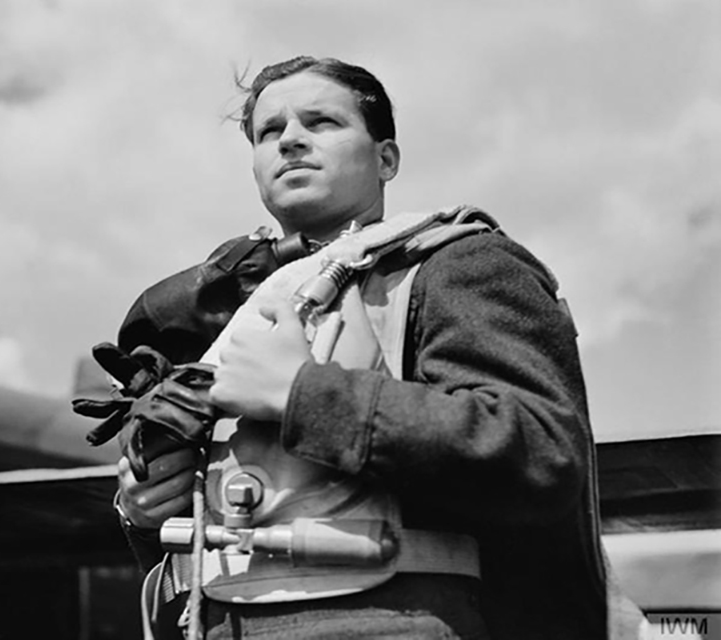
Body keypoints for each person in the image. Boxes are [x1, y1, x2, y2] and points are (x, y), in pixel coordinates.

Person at [82, 56, 629, 639]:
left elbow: (541, 453)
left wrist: (301, 395)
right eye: (270, 132)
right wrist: (146, 511)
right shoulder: (226, 320)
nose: (290, 140)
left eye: (321, 122)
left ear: (385, 158)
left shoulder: (459, 265)